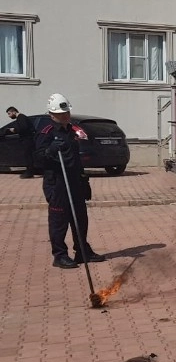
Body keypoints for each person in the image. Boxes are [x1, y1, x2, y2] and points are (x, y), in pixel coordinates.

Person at [34, 94, 106, 269]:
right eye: (60, 113)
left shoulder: (73, 131)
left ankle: (82, 251)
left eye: (66, 112)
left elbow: (76, 159)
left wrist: (84, 180)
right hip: (57, 182)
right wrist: (50, 150)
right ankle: (60, 255)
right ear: (52, 114)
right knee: (59, 220)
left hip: (74, 181)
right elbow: (37, 159)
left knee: (80, 218)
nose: (65, 116)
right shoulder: (47, 132)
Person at [6, 106, 36, 178]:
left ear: (14, 112)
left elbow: (24, 128)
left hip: (27, 140)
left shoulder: (21, 117)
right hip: (27, 139)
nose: (9, 116)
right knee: (28, 156)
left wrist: (14, 130)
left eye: (9, 113)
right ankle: (29, 171)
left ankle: (29, 173)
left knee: (28, 156)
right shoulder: (21, 118)